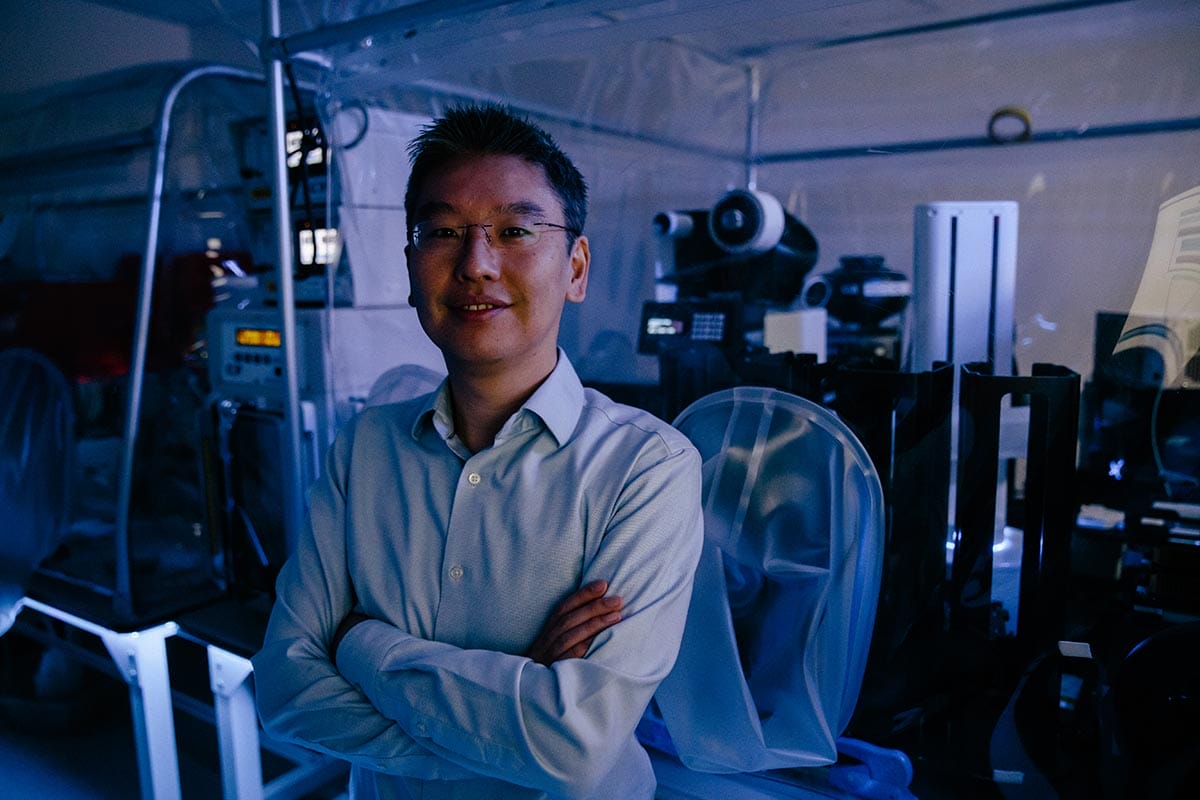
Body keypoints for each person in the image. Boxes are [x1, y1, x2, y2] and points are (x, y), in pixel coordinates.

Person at [252, 104, 704, 800]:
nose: (475, 264)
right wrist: (512, 718)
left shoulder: (647, 470)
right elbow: (284, 692)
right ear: (411, 270)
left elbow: (575, 746)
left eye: (515, 230)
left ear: (576, 268)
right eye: (442, 232)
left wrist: (357, 644)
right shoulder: (365, 448)